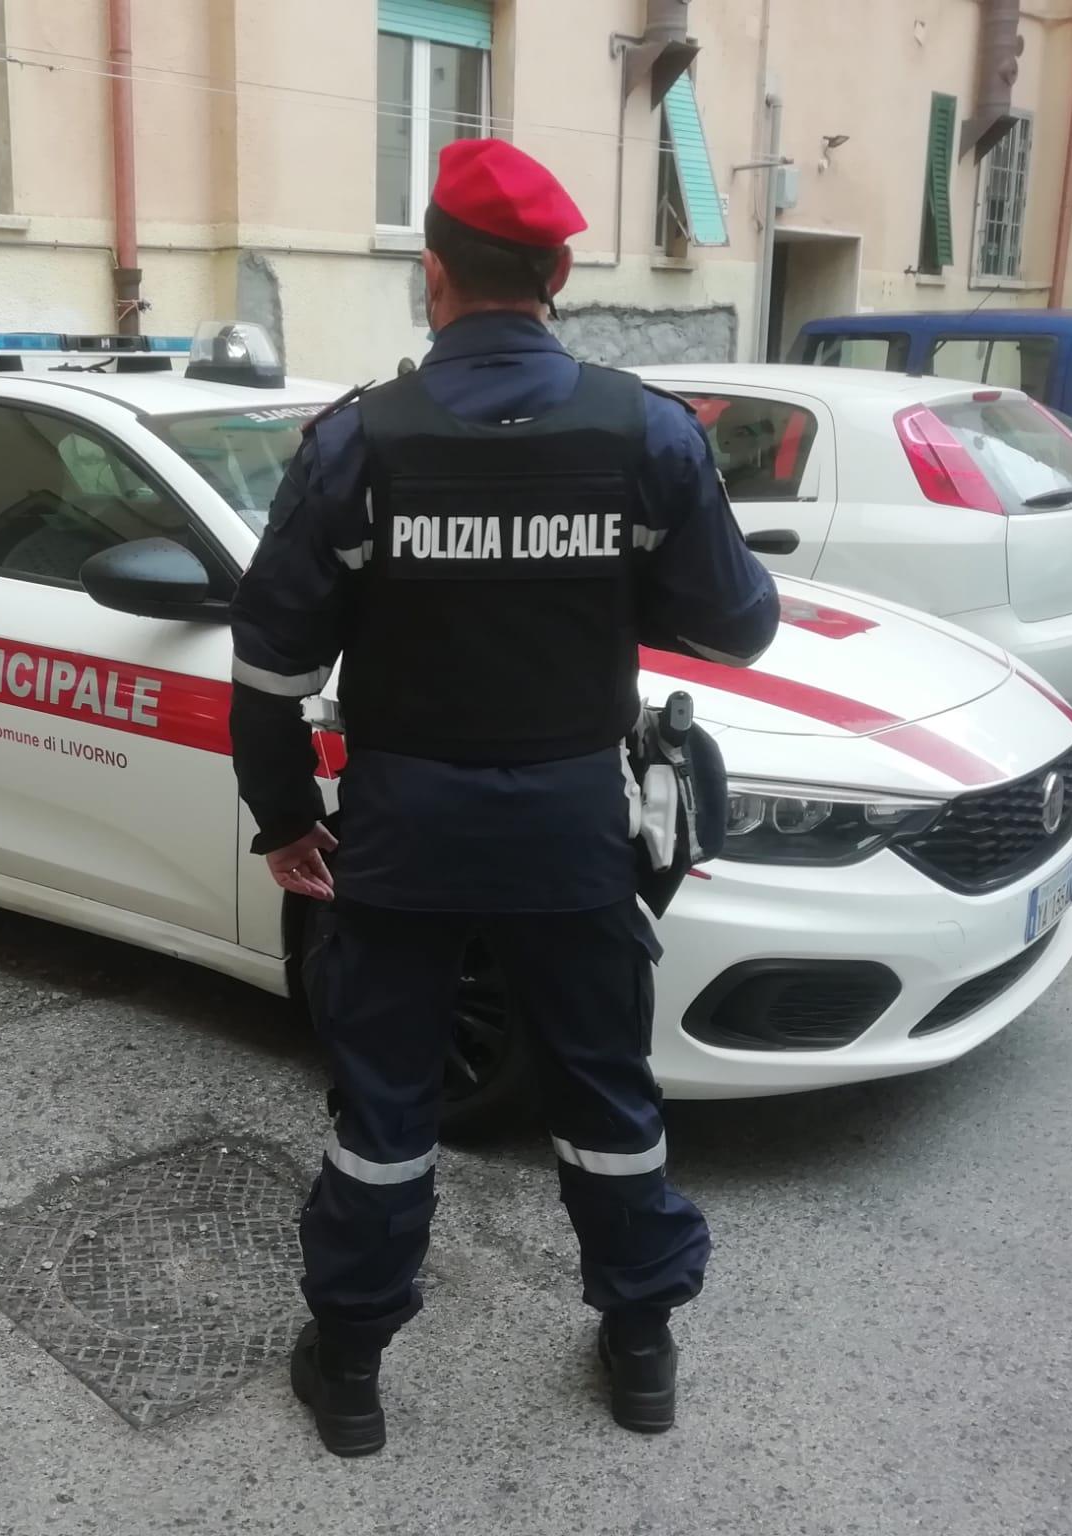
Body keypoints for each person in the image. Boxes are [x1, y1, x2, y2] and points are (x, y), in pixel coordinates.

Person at [228, 138, 780, 1456]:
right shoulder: (647, 434)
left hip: (403, 831)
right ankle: (640, 1348)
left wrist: (285, 817)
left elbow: (268, 665)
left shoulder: (358, 442)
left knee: (386, 1107)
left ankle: (351, 1370)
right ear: (559, 277)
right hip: (573, 828)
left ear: (433, 274)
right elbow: (739, 625)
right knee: (603, 1092)